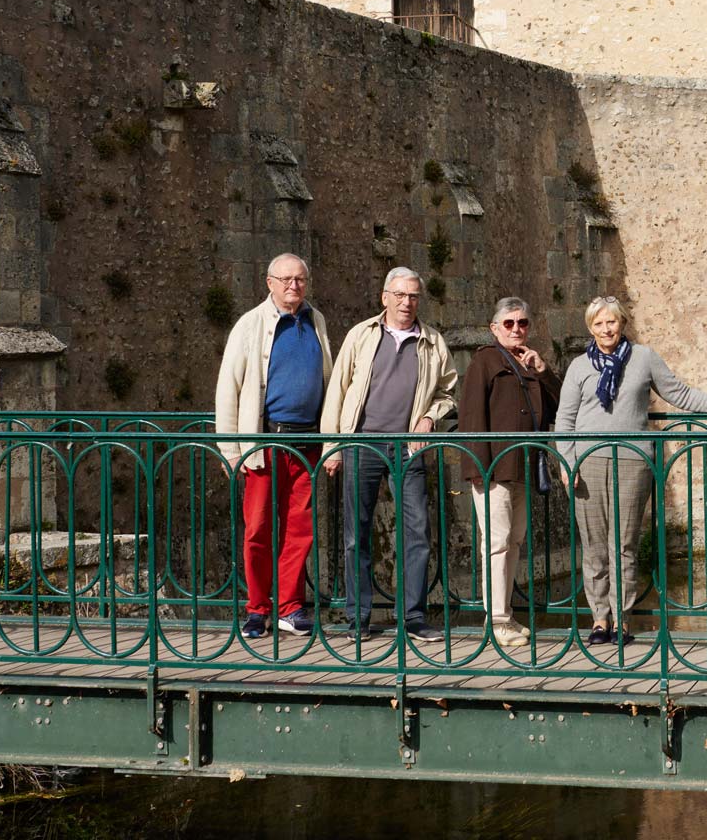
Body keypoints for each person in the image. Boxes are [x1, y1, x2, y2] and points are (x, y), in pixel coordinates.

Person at [554, 296, 707, 645]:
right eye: (598, 324)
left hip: (632, 461)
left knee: (624, 544)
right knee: (595, 546)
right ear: (590, 328)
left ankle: (623, 620)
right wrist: (567, 464)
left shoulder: (643, 358)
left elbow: (680, 393)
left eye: (611, 322)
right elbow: (564, 421)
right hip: (588, 464)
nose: (606, 329)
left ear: (622, 323)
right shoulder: (579, 366)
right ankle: (600, 618)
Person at [321, 267, 458, 641]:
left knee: (417, 532)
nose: (406, 302)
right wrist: (332, 448)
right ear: (385, 297)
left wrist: (430, 417)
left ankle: (412, 617)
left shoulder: (432, 341)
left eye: (413, 296)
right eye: (399, 294)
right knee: (356, 534)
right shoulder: (361, 336)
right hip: (360, 444)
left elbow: (448, 393)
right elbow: (337, 391)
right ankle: (358, 618)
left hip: (408, 448)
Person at [214, 253, 334, 640]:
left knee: (300, 529)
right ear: (269, 282)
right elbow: (227, 388)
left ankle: (290, 608)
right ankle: (257, 608)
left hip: (307, 440)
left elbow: (329, 381)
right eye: (285, 280)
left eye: (299, 279)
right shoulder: (249, 325)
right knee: (258, 528)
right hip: (263, 442)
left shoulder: (316, 321)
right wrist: (231, 448)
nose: (293, 286)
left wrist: (332, 439)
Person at [455, 297, 561, 649]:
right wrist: (475, 468)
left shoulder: (530, 362)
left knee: (514, 540)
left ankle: (506, 613)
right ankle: (497, 621)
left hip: (524, 465)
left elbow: (559, 405)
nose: (517, 329)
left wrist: (544, 370)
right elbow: (470, 416)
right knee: (497, 542)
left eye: (523, 323)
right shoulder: (485, 361)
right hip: (495, 468)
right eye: (510, 323)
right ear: (495, 328)